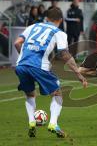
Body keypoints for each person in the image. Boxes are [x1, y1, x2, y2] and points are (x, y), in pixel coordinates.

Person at [14, 8, 88, 138]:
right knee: (57, 93)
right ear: (60, 20)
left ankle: (32, 122)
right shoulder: (59, 32)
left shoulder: (32, 26)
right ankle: (53, 124)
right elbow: (64, 54)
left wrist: (24, 57)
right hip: (39, 66)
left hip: (21, 66)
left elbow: (17, 43)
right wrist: (78, 73)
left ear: (46, 18)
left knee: (30, 94)